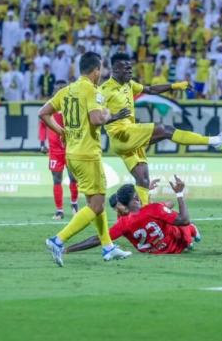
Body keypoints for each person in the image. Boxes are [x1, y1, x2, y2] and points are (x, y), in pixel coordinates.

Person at [99, 53, 222, 207]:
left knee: (143, 179)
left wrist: (175, 86)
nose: (131, 71)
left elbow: (150, 89)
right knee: (165, 130)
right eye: (127, 68)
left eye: (131, 68)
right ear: (116, 69)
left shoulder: (128, 84)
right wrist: (115, 116)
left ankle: (143, 215)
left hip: (129, 138)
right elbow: (95, 118)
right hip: (121, 135)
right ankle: (216, 141)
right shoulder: (104, 90)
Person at [39, 52, 132, 266]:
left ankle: (108, 247)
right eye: (101, 70)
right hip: (88, 153)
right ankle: (58, 240)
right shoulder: (92, 89)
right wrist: (110, 114)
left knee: (93, 203)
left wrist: (60, 131)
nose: (102, 74)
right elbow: (97, 119)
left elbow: (44, 113)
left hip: (72, 153)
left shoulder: (66, 90)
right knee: (97, 205)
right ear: (96, 70)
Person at [65, 176, 200, 255]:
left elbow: (97, 239)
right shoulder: (154, 209)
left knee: (170, 215)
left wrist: (68, 249)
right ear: (136, 198)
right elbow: (184, 219)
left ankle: (191, 233)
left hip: (156, 253)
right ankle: (191, 233)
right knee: (177, 219)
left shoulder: (123, 224)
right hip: (178, 246)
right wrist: (180, 194)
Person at [39, 80, 79, 220]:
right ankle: (59, 210)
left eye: (62, 88)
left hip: (70, 148)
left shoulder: (72, 104)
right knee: (57, 179)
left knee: (73, 177)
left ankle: (74, 204)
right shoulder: (49, 106)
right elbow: (43, 125)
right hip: (55, 151)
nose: (59, 90)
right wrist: (42, 143)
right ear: (54, 90)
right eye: (57, 88)